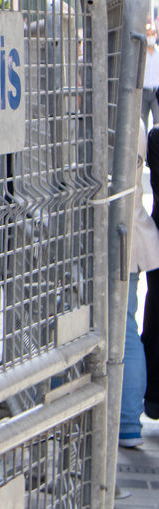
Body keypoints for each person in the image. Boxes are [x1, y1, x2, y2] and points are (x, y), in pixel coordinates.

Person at [121, 125, 159, 448]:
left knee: (125, 330)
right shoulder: (140, 128)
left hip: (120, 234)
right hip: (133, 235)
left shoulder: (137, 130)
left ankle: (127, 421)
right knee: (128, 327)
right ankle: (129, 422)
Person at [143, 24, 159, 129]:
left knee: (157, 122)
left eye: (152, 34)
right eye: (148, 35)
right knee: (142, 124)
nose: (150, 37)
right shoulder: (141, 54)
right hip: (143, 93)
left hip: (156, 93)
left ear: (156, 36)